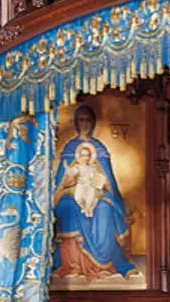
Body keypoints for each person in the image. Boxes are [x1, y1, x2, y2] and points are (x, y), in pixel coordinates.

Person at [53, 102, 140, 280]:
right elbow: (62, 180)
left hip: (97, 192)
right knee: (66, 207)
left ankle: (106, 262)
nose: (85, 123)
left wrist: (102, 182)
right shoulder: (70, 148)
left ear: (93, 123)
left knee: (104, 208)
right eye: (81, 120)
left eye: (88, 120)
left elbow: (109, 182)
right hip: (73, 193)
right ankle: (73, 265)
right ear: (76, 123)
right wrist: (68, 181)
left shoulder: (99, 149)